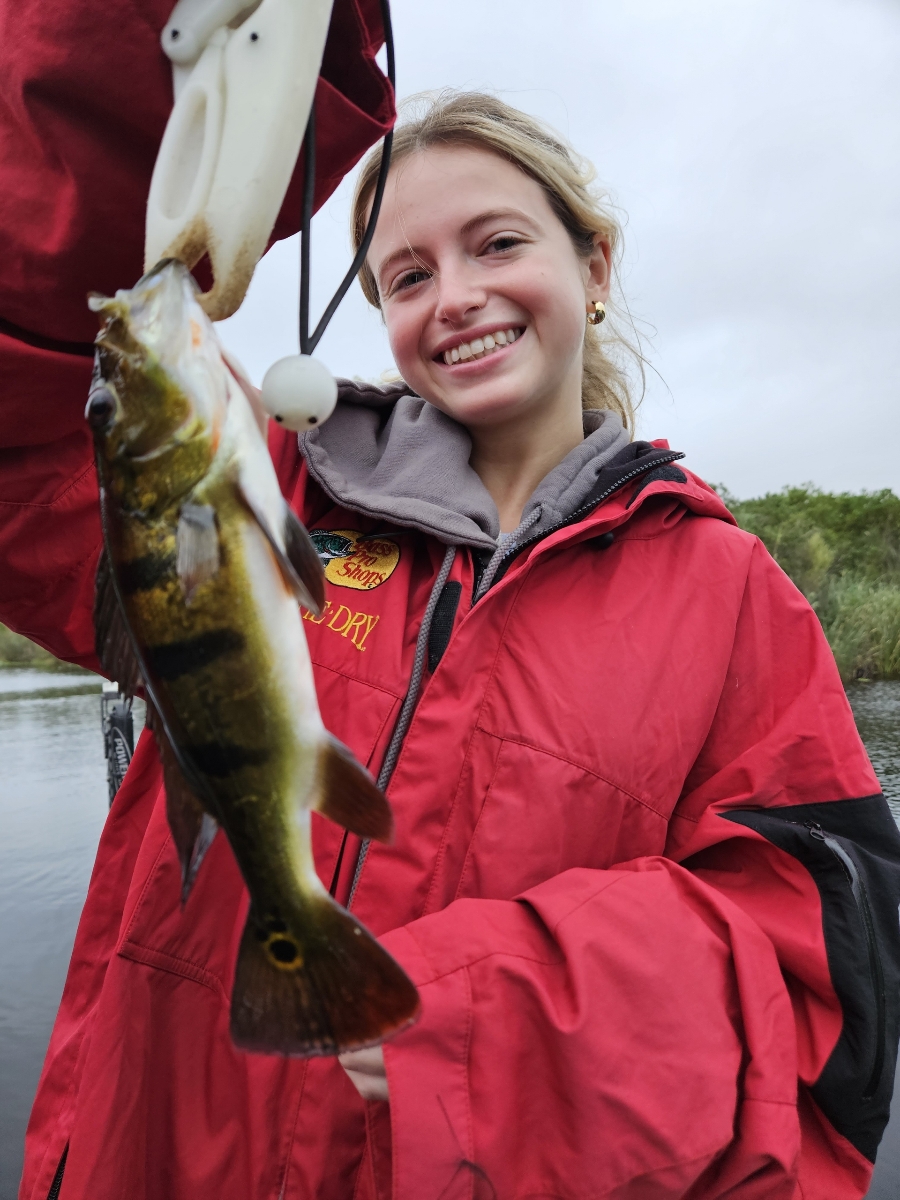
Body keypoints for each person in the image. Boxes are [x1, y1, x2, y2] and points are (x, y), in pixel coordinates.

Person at [4, 80, 900, 1200]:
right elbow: (25, 340)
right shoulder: (265, 493)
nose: (457, 298)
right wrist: (245, 74)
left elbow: (825, 978)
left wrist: (493, 1008)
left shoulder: (733, 595)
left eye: (498, 244)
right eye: (409, 276)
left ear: (597, 265)